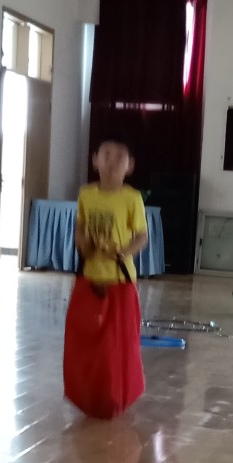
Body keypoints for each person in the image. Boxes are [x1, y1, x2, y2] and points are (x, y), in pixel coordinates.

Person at [63, 135, 148, 419]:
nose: (112, 162)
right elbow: (80, 227)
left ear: (130, 165)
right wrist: (83, 243)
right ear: (95, 160)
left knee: (116, 346)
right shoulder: (86, 194)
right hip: (89, 278)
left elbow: (142, 236)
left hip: (120, 281)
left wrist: (124, 252)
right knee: (86, 342)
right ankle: (88, 394)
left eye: (119, 157)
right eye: (106, 155)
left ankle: (115, 395)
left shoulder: (132, 198)